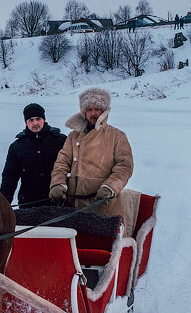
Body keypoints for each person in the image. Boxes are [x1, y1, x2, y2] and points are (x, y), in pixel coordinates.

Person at [49, 87, 133, 218]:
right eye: (89, 109)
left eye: (97, 109)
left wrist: (109, 187)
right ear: (84, 112)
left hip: (102, 206)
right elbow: (62, 162)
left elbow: (124, 167)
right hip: (72, 205)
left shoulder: (117, 136)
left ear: (104, 111)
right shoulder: (73, 136)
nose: (93, 113)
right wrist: (58, 183)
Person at [0, 102, 67, 207]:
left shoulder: (60, 140)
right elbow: (9, 179)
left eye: (38, 119)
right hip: (29, 203)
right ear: (26, 122)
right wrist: (2, 206)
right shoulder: (17, 147)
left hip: (57, 201)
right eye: (31, 120)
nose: (35, 123)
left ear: (44, 119)